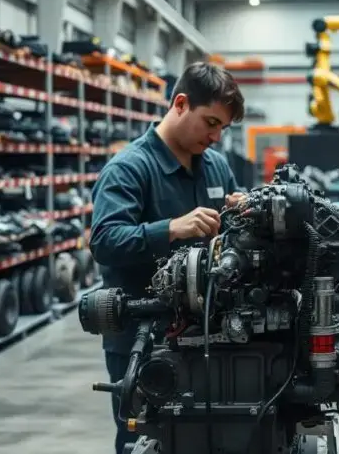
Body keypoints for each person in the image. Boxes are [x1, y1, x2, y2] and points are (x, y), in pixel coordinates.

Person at [88, 62, 247, 454]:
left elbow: (229, 238)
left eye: (222, 128)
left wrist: (243, 213)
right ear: (180, 103)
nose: (215, 136)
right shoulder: (129, 168)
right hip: (142, 340)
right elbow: (105, 241)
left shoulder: (216, 166)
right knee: (144, 442)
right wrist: (170, 228)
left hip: (207, 334)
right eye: (210, 122)